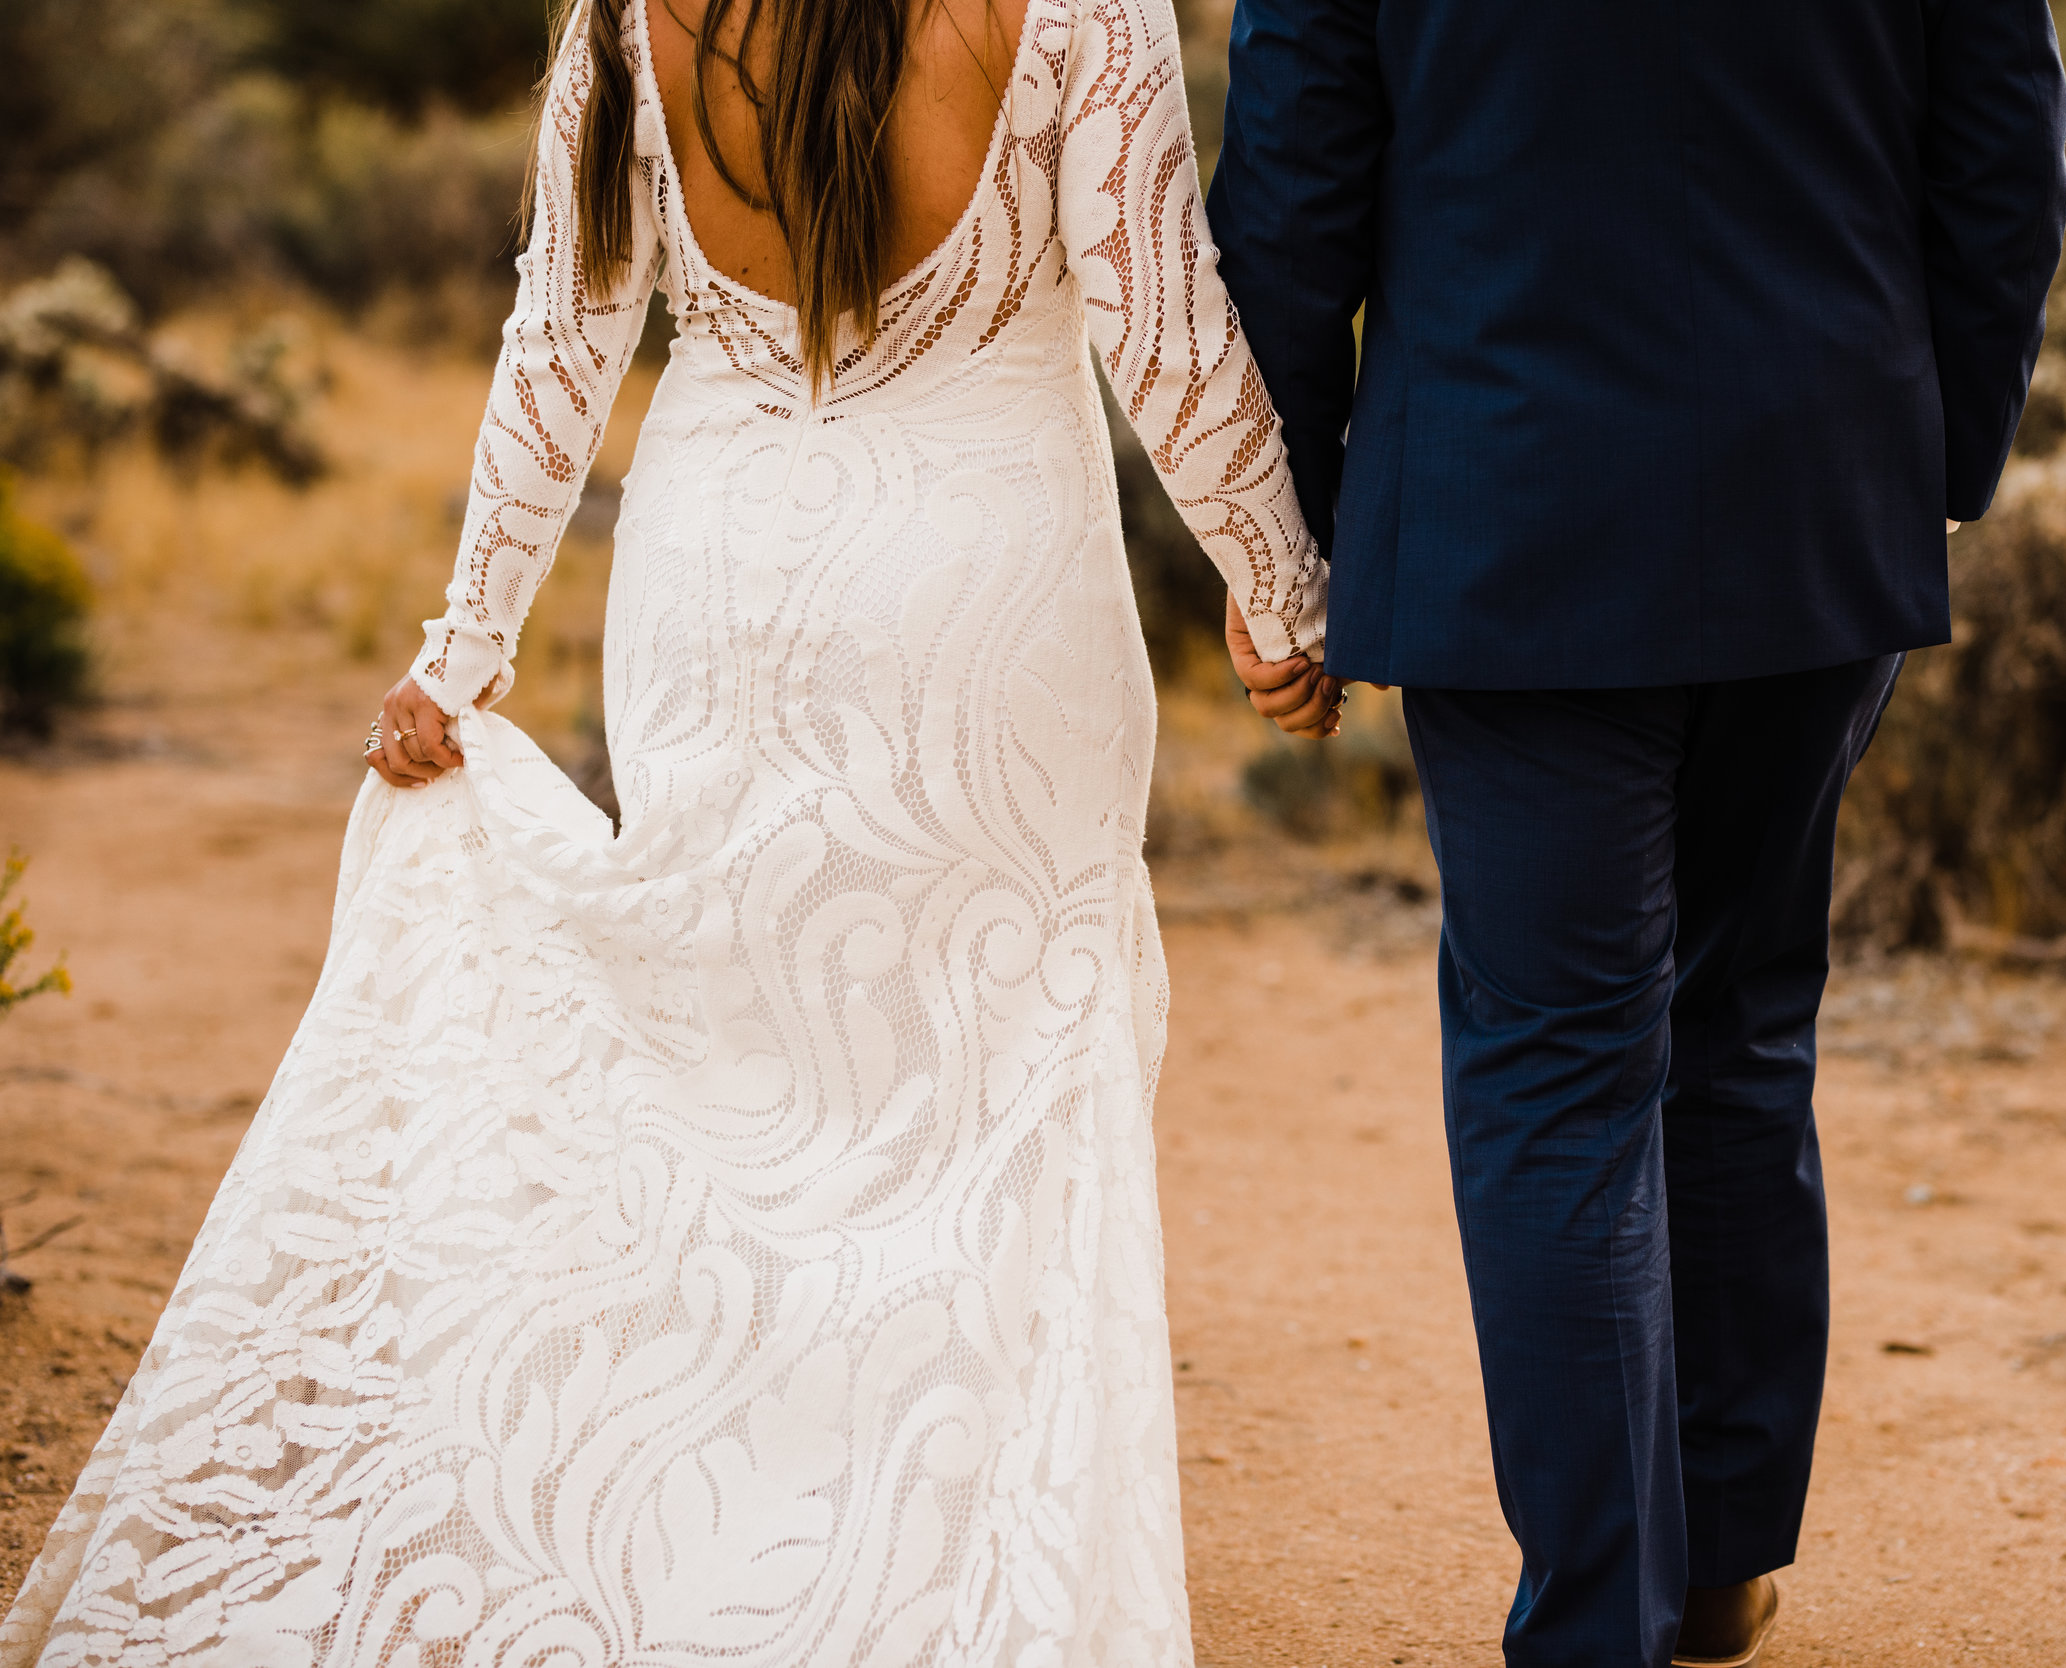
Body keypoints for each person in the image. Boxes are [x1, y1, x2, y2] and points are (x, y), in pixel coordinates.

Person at [0, 0, 1337, 1659]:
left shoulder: (635, 9)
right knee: (992, 1088)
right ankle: (916, 1556)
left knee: (749, 1070)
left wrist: (463, 651)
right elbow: (1166, 336)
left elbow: (560, 341)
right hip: (986, 608)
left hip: (722, 601)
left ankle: (737, 1524)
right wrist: (1280, 589)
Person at [1210, 2, 2066, 1664]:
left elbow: (1296, 189)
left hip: (1504, 508)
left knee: (1552, 1067)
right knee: (1741, 1014)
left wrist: (1282, 540)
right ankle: (1720, 1557)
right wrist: (1932, 451)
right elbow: (2003, 145)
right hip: (1817, 489)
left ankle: (1602, 1612)